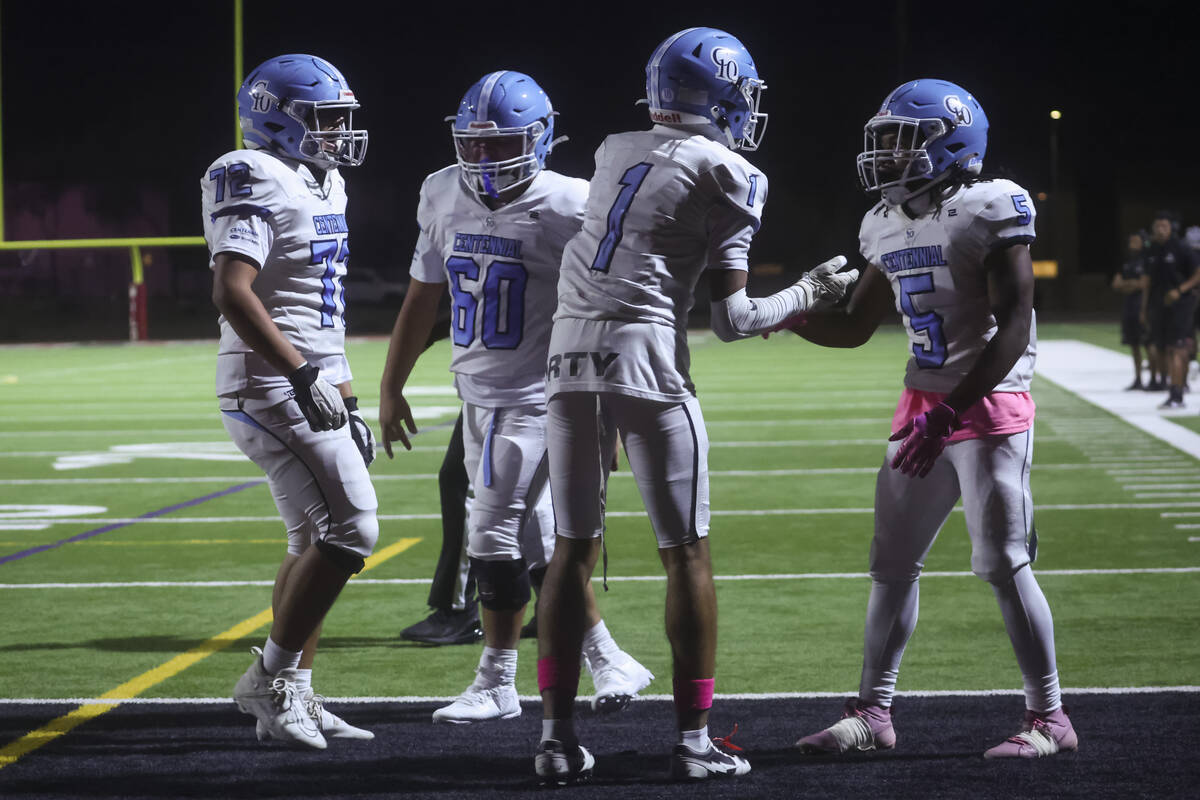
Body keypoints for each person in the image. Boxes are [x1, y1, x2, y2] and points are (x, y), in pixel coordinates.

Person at [533, 28, 857, 784]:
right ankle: (693, 739)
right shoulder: (732, 170)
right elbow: (734, 321)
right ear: (718, 96)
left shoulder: (613, 146)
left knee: (571, 549)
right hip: (643, 355)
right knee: (686, 552)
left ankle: (554, 739)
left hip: (566, 354)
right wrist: (812, 291)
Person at [788, 79, 1078, 759]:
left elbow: (1013, 329)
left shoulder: (990, 208)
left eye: (902, 138)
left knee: (1003, 562)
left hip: (984, 403)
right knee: (890, 563)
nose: (886, 152)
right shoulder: (884, 224)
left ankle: (1051, 719)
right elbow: (857, 326)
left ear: (952, 143)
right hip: (923, 404)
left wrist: (951, 411)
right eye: (884, 139)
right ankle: (873, 712)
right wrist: (788, 316)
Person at [379, 70, 653, 725]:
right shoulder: (441, 191)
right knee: (532, 544)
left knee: (491, 535)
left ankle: (497, 682)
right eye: (472, 143)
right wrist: (391, 383)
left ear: (541, 137)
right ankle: (609, 656)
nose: (482, 157)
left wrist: (609, 405)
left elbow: (613, 307)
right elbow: (424, 293)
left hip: (541, 396)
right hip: (479, 395)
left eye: (499, 143)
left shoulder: (573, 203)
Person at [204, 54, 376, 749]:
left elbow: (320, 313)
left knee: (310, 539)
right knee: (355, 528)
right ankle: (269, 680)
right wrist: (303, 375)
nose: (338, 133)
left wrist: (348, 395)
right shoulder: (249, 172)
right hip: (267, 381)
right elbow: (232, 292)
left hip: (306, 373)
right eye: (325, 118)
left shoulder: (323, 181)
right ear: (278, 118)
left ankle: (295, 694)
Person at [398, 411, 483, 646]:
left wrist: (391, 388)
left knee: (462, 483)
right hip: (518, 391)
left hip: (500, 392)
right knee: (536, 497)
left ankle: (458, 611)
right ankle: (556, 602)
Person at [1142, 210, 1200, 409]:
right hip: (1159, 307)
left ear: (1171, 228)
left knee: (1177, 349)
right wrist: (1144, 308)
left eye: (1164, 226)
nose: (1160, 230)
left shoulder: (1181, 248)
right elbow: (1148, 282)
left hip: (1180, 306)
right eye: (1157, 226)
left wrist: (1180, 290)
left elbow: (1197, 273)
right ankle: (1175, 387)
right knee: (1164, 350)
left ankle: (1177, 393)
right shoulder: (1152, 250)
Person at [1112, 230, 1150, 390]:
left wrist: (1127, 285)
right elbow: (1116, 284)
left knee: (1149, 344)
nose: (1132, 244)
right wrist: (1132, 284)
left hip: (1143, 305)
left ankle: (1157, 378)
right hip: (1129, 306)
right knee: (1134, 344)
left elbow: (1143, 285)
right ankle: (1138, 379)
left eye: (1136, 241)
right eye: (1131, 241)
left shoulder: (1147, 260)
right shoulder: (1126, 261)